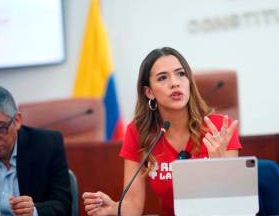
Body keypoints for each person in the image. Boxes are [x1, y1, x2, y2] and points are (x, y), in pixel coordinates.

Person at [83, 47, 242, 216]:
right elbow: (133, 205)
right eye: (162, 78)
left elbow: (233, 203)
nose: (175, 82)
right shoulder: (139, 132)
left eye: (181, 74)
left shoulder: (219, 128)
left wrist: (219, 167)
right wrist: (115, 209)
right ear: (149, 92)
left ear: (189, 81)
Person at [0, 85, 71, 216]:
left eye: (0, 128)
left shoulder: (47, 145)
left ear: (17, 121)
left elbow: (63, 204)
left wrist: (34, 211)